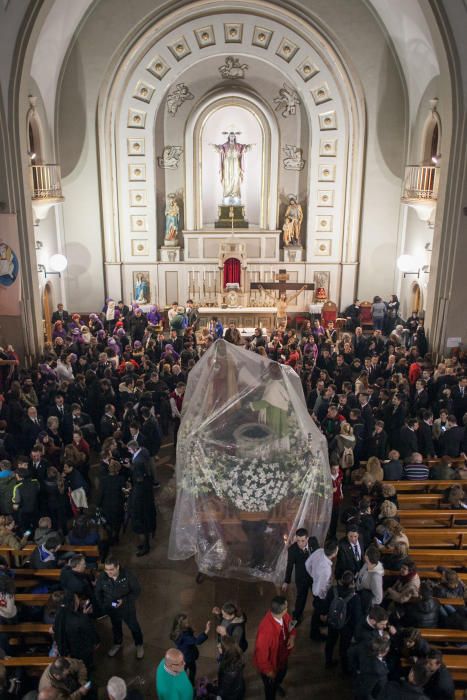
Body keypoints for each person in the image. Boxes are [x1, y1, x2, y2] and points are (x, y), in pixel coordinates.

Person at [95, 556, 144, 659]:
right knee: (116, 627)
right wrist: (104, 605)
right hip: (112, 608)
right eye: (106, 569)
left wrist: (124, 600)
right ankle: (117, 643)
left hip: (127, 608)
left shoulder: (128, 575)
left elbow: (137, 591)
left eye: (111, 569)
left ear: (117, 567)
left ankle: (139, 644)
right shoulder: (103, 577)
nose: (109, 572)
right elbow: (98, 592)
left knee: (134, 627)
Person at [253, 596, 296, 700]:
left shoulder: (283, 615)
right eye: (286, 607)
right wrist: (269, 672)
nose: (287, 608)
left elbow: (291, 623)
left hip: (282, 658)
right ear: (283, 610)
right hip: (271, 666)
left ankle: (276, 685)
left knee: (281, 675)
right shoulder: (265, 632)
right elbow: (261, 657)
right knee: (270, 689)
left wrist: (292, 637)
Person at [281, 527, 319, 624]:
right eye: (298, 541)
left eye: (303, 541)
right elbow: (289, 566)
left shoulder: (313, 541)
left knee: (318, 597)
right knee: (301, 598)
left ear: (307, 539)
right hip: (301, 577)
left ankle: (318, 615)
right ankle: (297, 617)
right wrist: (286, 581)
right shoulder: (292, 550)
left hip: (314, 576)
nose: (300, 543)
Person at [306, 539, 338, 641]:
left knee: (317, 611)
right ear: (334, 553)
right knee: (317, 613)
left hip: (316, 587)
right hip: (320, 594)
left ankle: (319, 623)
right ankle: (314, 634)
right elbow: (322, 587)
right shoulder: (326, 570)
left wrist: (313, 575)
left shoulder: (319, 551)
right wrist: (324, 598)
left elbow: (307, 563)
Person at [169, 613, 210, 685]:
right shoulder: (185, 636)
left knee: (183, 670)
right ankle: (189, 683)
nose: (188, 623)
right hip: (188, 656)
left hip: (182, 654)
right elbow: (197, 641)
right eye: (186, 622)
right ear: (181, 625)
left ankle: (183, 681)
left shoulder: (176, 632)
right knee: (192, 669)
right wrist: (206, 631)